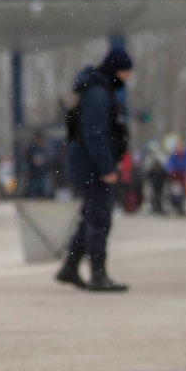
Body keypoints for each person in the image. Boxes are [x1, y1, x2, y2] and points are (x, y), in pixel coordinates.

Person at [55, 45, 133, 292]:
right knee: (99, 218)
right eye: (126, 71)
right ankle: (98, 274)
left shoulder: (96, 89)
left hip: (89, 164)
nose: (128, 77)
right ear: (116, 70)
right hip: (93, 166)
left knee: (90, 216)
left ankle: (70, 267)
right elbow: (96, 134)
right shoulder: (98, 94)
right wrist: (107, 167)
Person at [165, 137, 186, 217]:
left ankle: (182, 206)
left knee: (184, 193)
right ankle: (174, 205)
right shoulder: (173, 155)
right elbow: (169, 164)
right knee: (174, 192)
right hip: (175, 177)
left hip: (184, 177)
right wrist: (170, 170)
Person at [24, 131, 52, 198]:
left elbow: (49, 159)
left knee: (44, 191)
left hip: (43, 173)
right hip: (33, 173)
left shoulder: (45, 149)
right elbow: (27, 160)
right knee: (32, 192)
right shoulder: (31, 149)